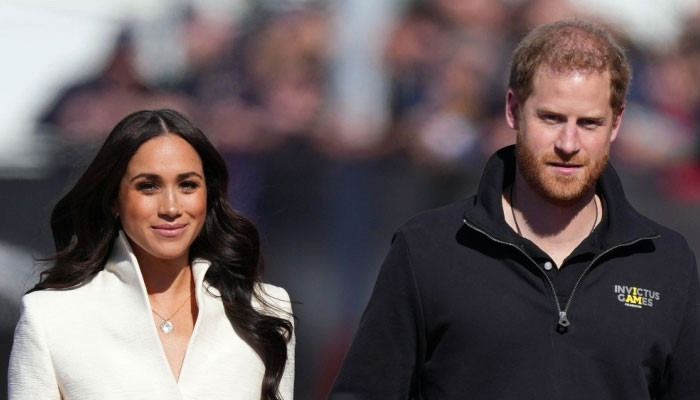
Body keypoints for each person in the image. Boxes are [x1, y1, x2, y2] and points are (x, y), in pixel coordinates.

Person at [328, 20, 700, 399]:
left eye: (589, 123)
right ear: (513, 110)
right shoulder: (427, 249)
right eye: (551, 118)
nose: (568, 143)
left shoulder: (665, 263)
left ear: (616, 123)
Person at [9, 109, 295, 400]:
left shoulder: (265, 310)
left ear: (207, 195)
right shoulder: (50, 317)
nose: (171, 207)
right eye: (148, 186)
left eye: (187, 185)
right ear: (113, 200)